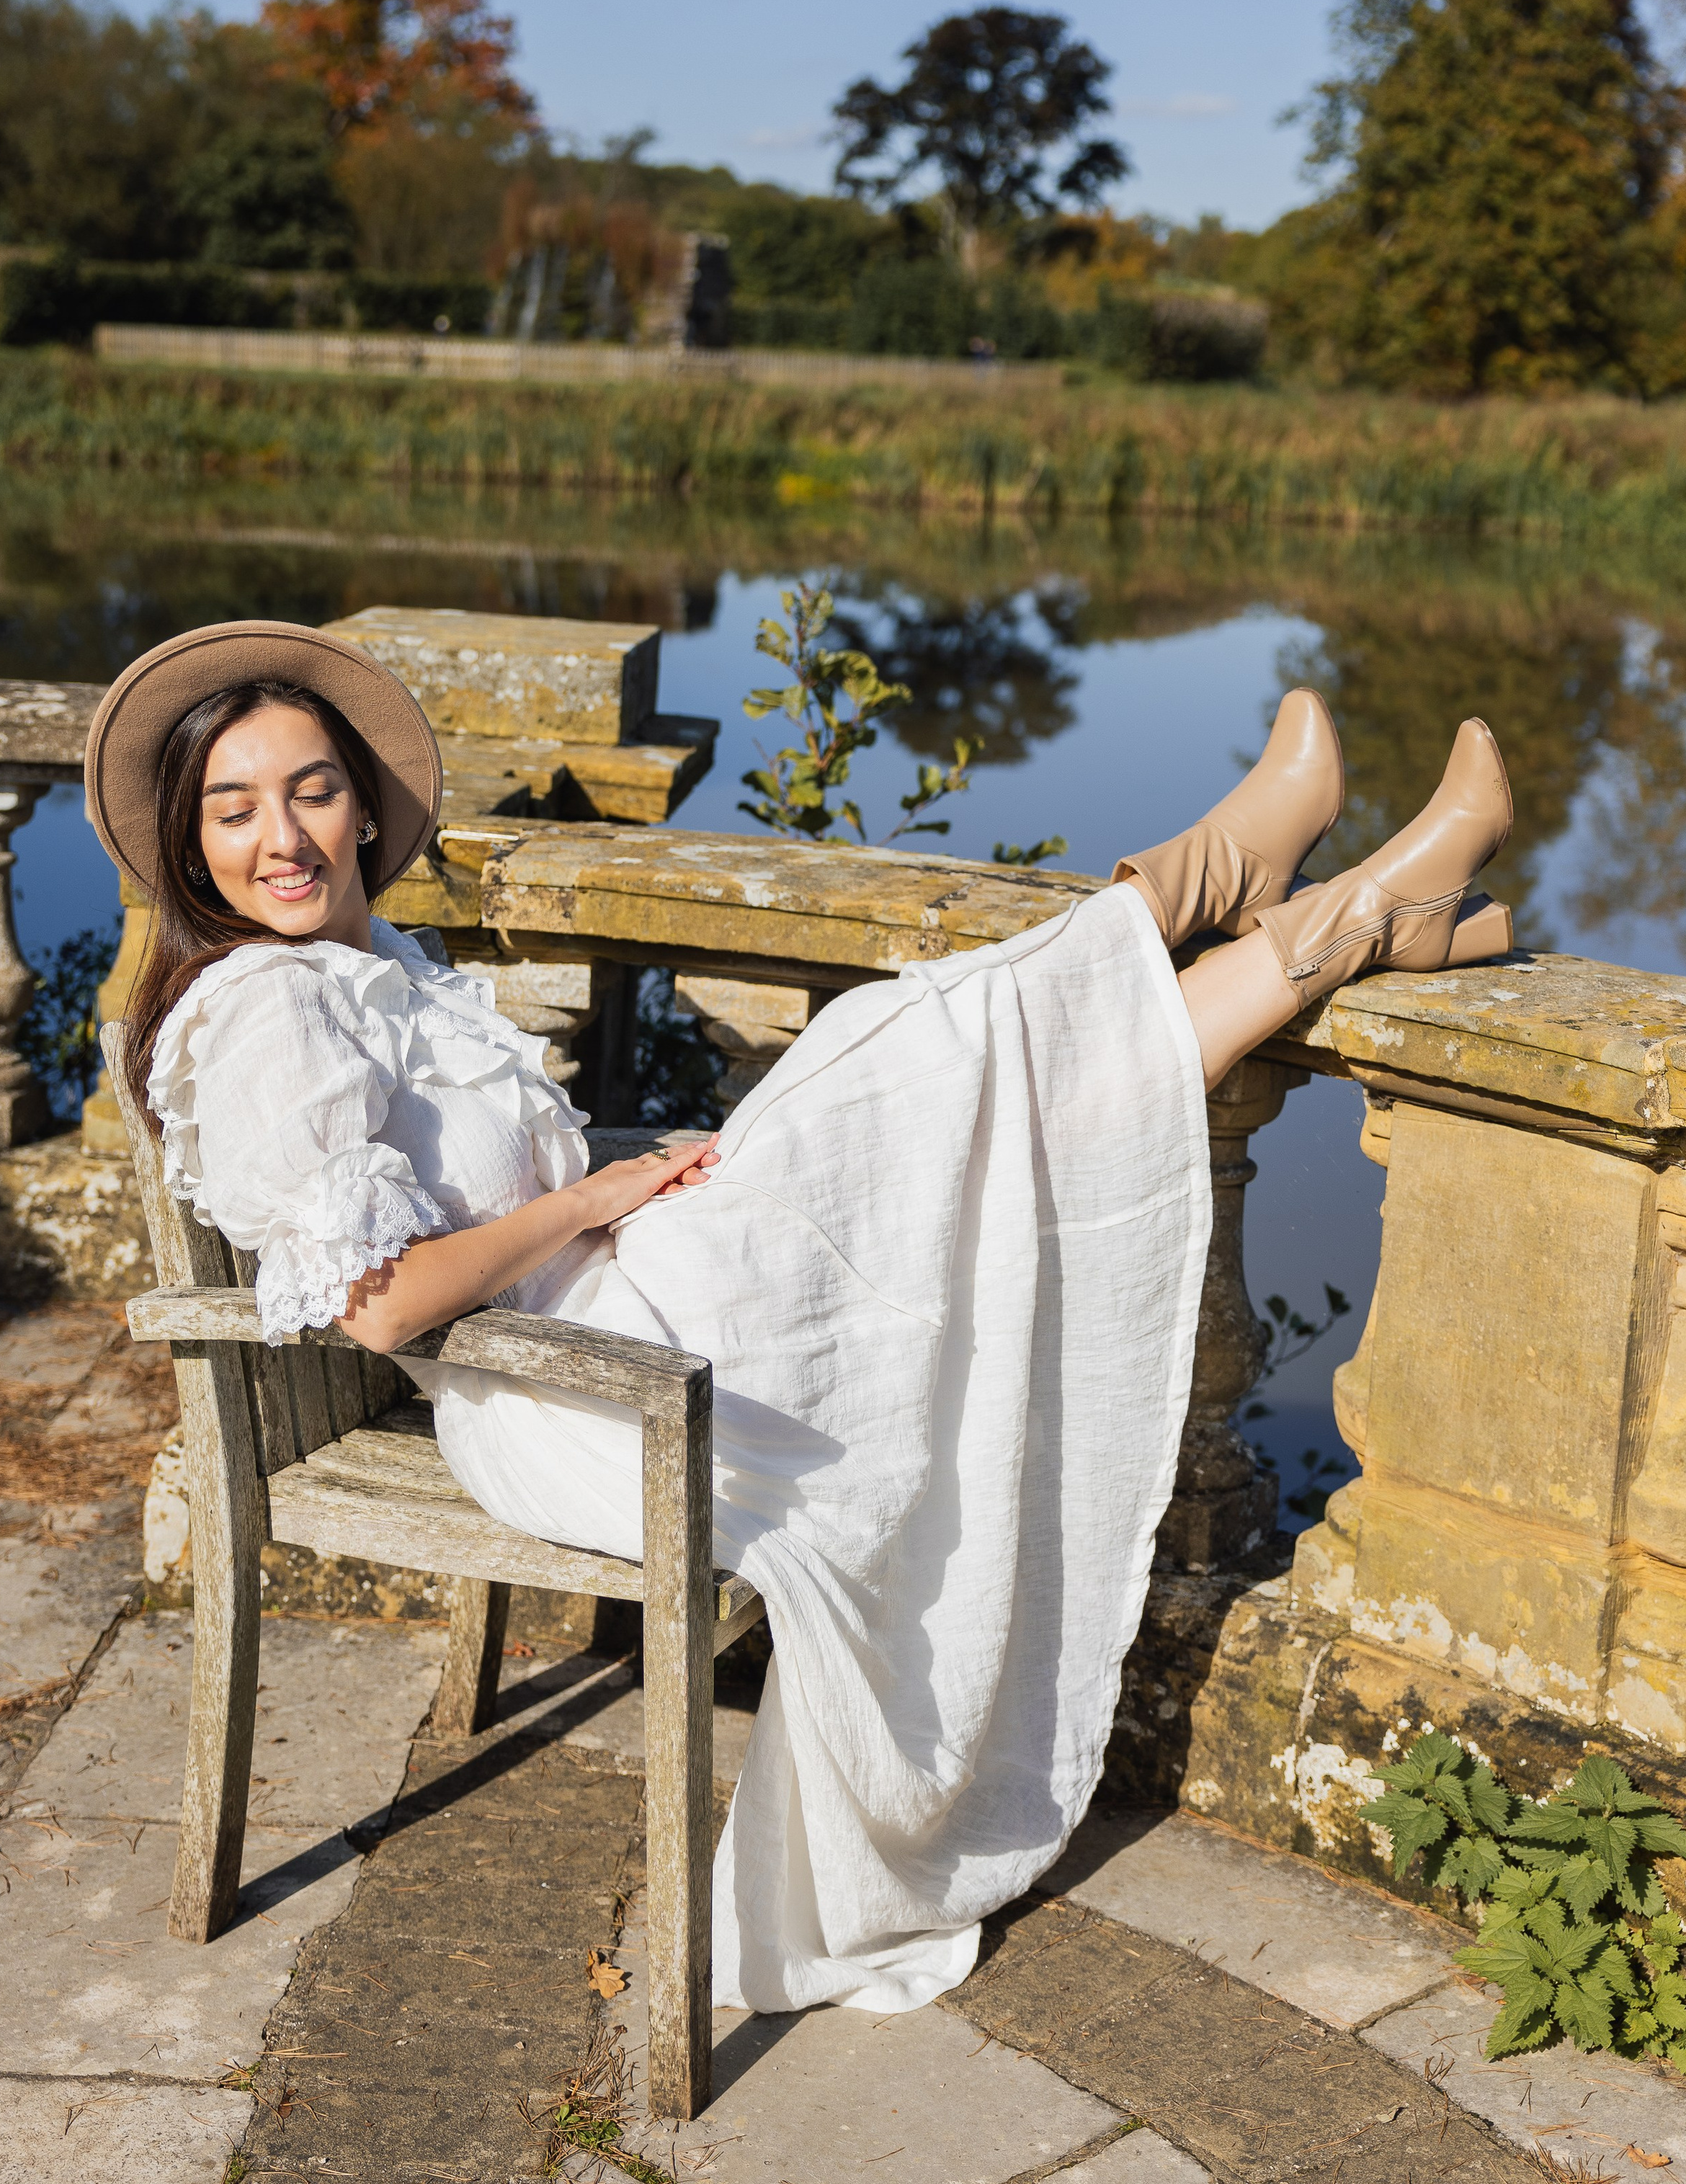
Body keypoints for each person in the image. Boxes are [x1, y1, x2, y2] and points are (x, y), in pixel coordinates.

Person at [84, 621, 1513, 2018]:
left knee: (925, 1099)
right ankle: (1291, 897)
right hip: (559, 1394)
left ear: (356, 805)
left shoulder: (365, 963)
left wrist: (626, 1196)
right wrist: (594, 1207)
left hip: (608, 1312)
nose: (281, 836)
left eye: (311, 791)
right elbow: (379, 1301)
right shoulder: (267, 1007)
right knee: (886, 1068)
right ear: (189, 838)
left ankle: (1319, 908)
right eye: (234, 808)